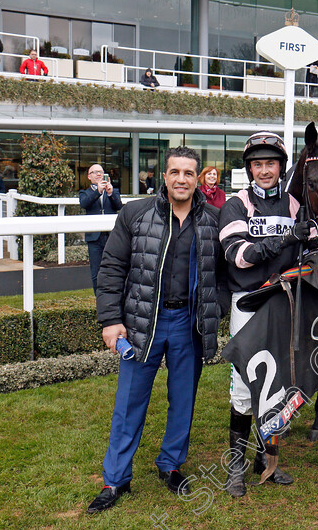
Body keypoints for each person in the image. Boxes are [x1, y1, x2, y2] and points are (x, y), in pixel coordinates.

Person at [87, 146, 228, 514]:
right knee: (129, 402)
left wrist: (218, 307)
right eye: (175, 172)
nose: (182, 179)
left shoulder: (213, 219)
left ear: (198, 179)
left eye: (189, 173)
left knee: (183, 400)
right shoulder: (135, 213)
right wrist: (109, 320)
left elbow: (225, 275)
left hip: (189, 324)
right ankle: (116, 479)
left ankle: (171, 464)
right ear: (163, 176)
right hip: (142, 323)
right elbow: (112, 268)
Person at [218, 131, 310, 497]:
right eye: (258, 164)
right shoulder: (235, 204)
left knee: (279, 386)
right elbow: (240, 256)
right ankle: (235, 468)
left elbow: (313, 248)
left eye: (271, 163)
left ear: (281, 167)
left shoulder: (294, 205)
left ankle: (266, 461)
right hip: (248, 304)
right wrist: (288, 239)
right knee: (244, 386)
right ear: (249, 168)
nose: (265, 170)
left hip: (283, 302)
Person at [79, 164, 123, 292]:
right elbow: (84, 203)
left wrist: (110, 194)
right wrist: (97, 191)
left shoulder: (113, 191)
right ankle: (99, 298)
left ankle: (113, 296)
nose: (98, 174)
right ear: (89, 176)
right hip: (94, 237)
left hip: (111, 236)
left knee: (114, 268)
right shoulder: (85, 193)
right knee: (96, 271)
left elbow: (119, 206)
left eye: (101, 172)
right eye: (95, 172)